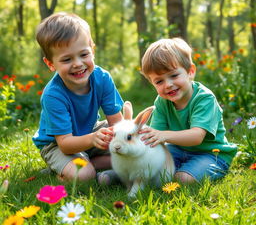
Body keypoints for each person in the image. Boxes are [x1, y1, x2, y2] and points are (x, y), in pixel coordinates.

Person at [32, 12, 123, 182]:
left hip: (90, 130)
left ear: (92, 50)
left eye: (84, 55)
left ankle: (90, 162)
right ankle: (65, 169)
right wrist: (92, 139)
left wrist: (121, 141)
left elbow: (116, 121)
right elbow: (65, 144)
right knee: (84, 175)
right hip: (57, 144)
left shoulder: (102, 78)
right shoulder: (53, 95)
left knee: (134, 149)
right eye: (67, 59)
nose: (78, 64)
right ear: (51, 64)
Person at [140, 38, 237, 184]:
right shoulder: (161, 101)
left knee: (183, 179)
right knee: (147, 168)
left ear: (190, 72)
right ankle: (117, 175)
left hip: (211, 154)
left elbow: (196, 136)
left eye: (174, 75)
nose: (168, 85)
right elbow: (155, 135)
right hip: (177, 149)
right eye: (159, 81)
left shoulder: (204, 98)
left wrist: (163, 135)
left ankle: (184, 171)